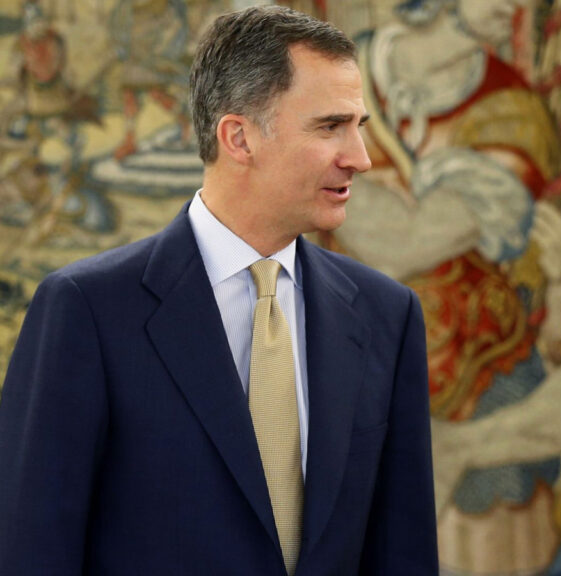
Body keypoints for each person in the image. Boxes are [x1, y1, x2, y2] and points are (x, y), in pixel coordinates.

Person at [0, 6, 438, 575]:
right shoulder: (86, 310)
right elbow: (30, 554)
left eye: (358, 125)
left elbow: (402, 557)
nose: (361, 157)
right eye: (331, 126)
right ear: (239, 137)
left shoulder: (388, 314)